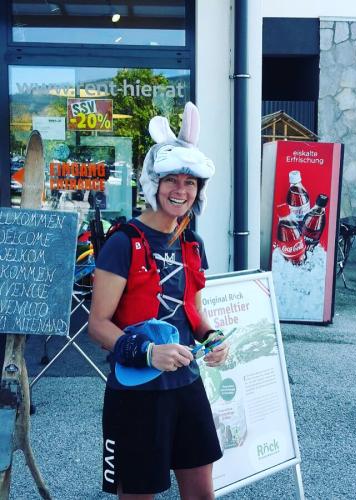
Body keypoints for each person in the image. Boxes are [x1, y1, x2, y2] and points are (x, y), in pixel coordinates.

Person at [88, 102, 229, 500]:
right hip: (136, 393)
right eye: (171, 180)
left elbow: (193, 313)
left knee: (201, 494)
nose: (180, 191)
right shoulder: (123, 242)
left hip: (187, 385)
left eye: (190, 182)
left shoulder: (192, 242)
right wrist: (148, 352)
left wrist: (213, 337)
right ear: (154, 183)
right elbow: (97, 325)